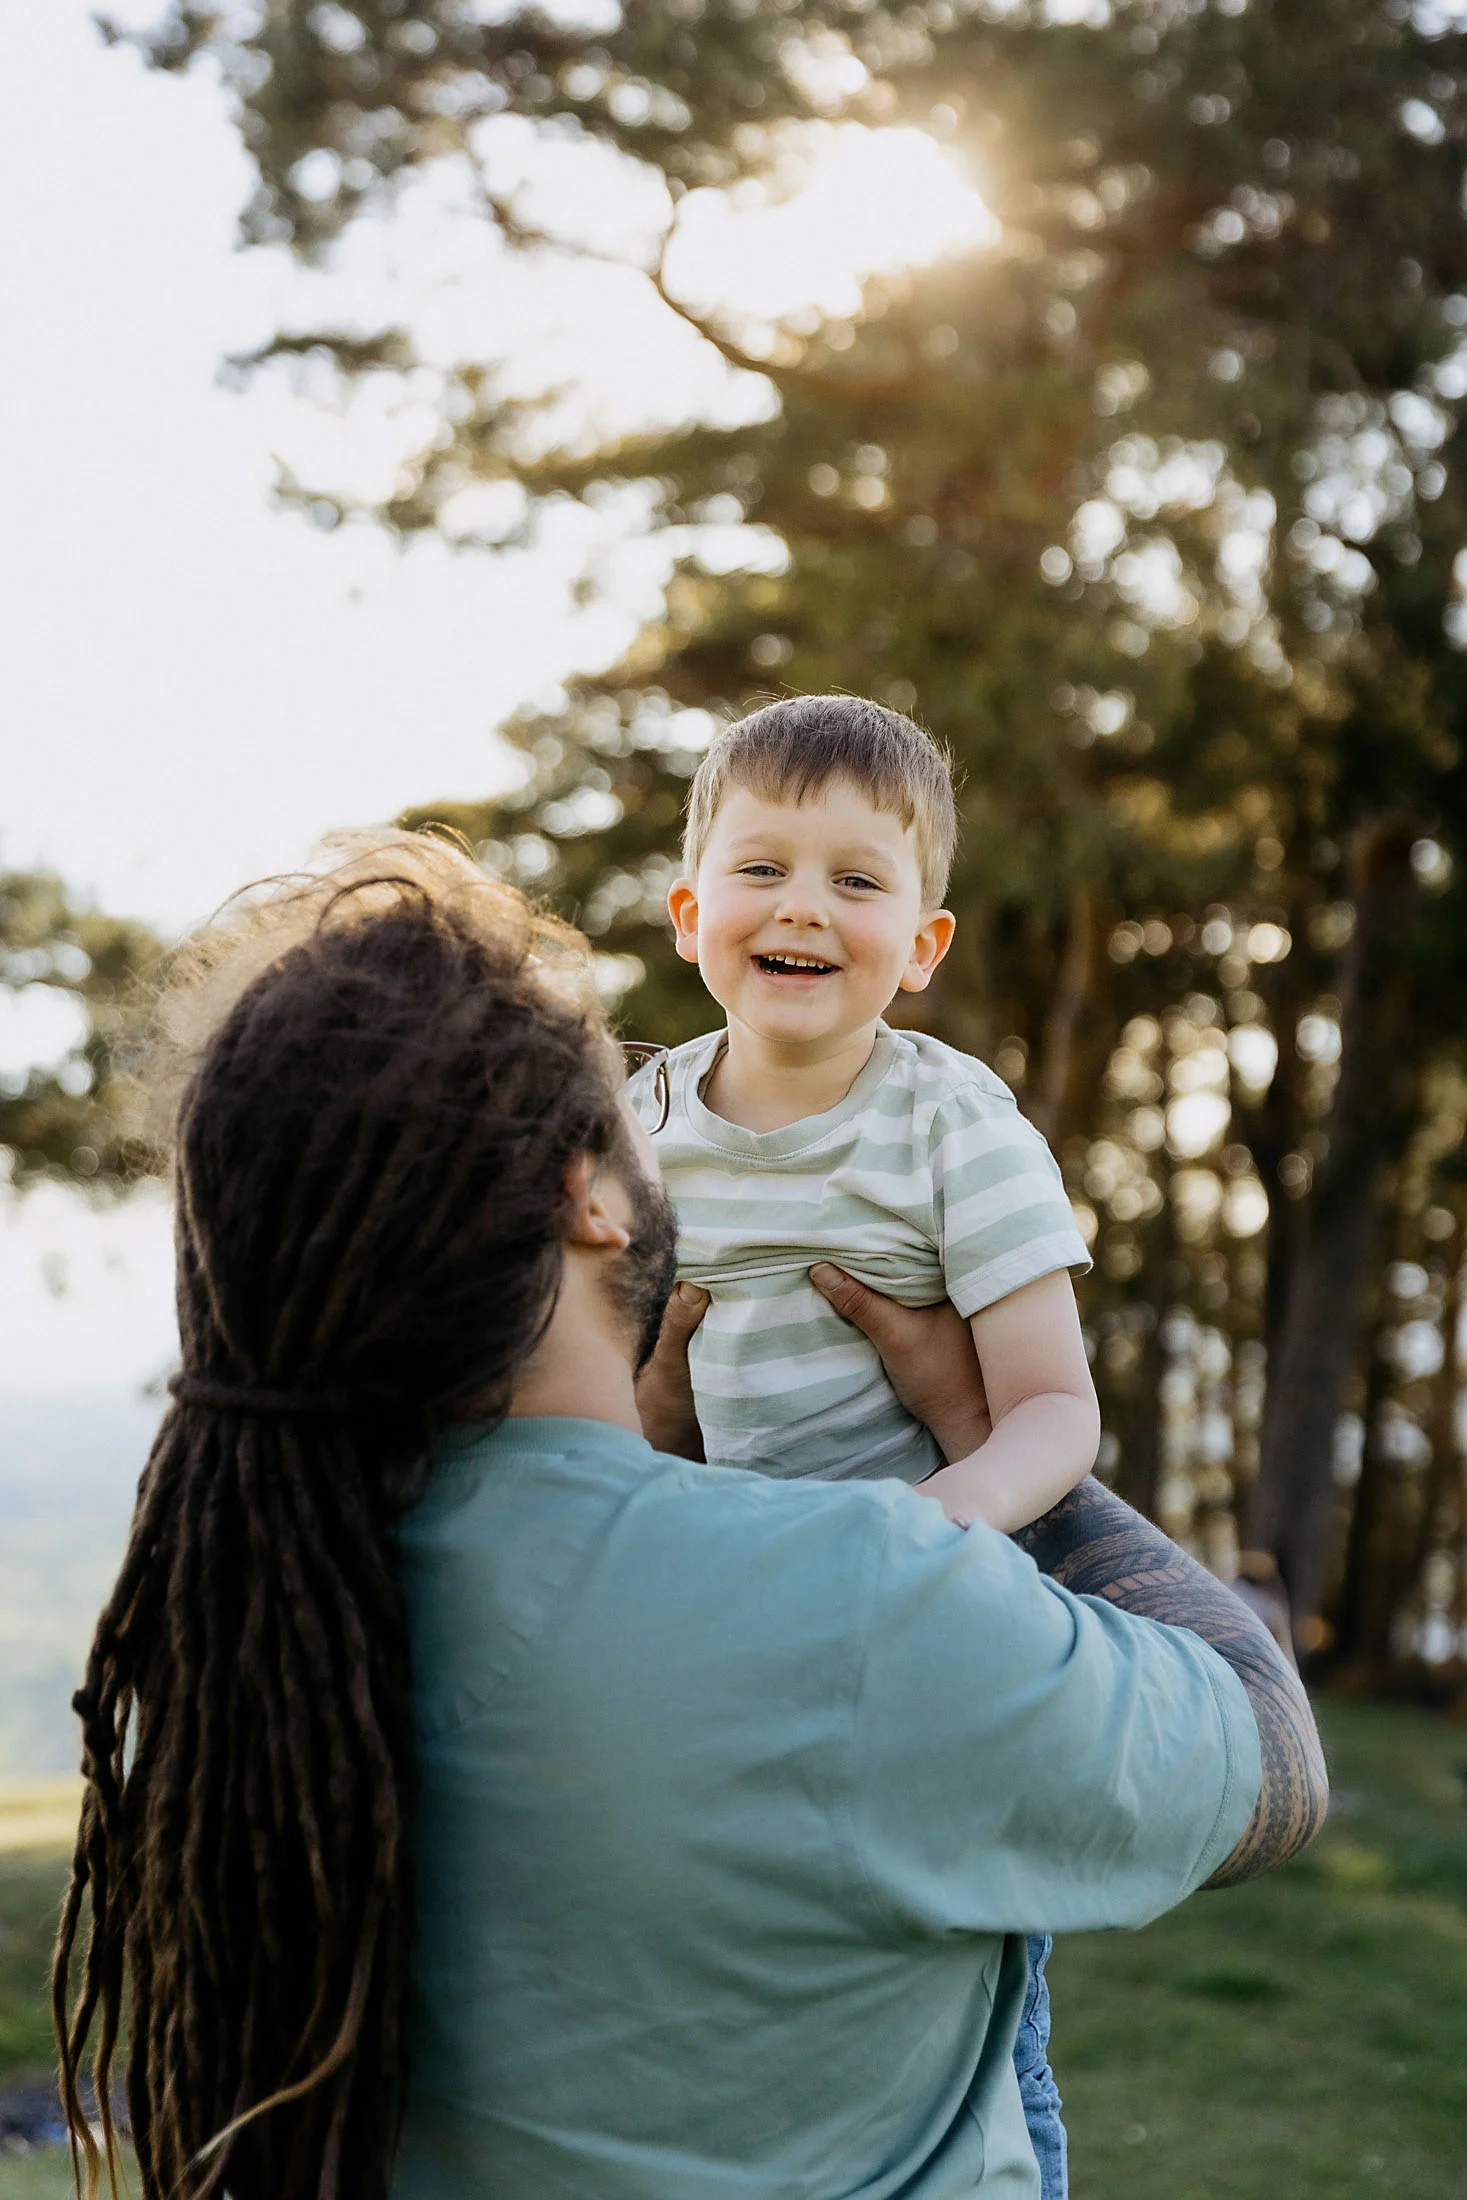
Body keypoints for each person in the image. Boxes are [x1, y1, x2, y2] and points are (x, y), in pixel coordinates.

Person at [54, 832, 1326, 2200]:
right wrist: (997, 1439)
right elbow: (1268, 1754)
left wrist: (649, 1456)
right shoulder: (860, 1605)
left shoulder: (245, 1628)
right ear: (585, 1197)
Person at [626, 693, 1098, 2188]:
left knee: (966, 2005)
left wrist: (929, 1528)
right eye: (763, 869)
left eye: (855, 879)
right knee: (747, 1996)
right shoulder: (635, 1123)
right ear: (692, 911)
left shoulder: (949, 1124)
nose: (803, 911)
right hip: (713, 1627)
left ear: (924, 941)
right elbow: (599, 1393)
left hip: (920, 1619)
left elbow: (1052, 1412)